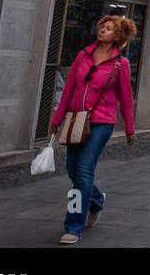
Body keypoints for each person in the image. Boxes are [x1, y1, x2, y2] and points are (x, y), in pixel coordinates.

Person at [49, 15, 137, 244]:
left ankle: (73, 227)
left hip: (101, 122)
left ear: (117, 36)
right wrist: (57, 119)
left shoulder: (121, 64)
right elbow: (69, 90)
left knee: (84, 171)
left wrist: (129, 127)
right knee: (72, 170)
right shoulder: (83, 56)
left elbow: (126, 99)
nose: (103, 31)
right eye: (102, 27)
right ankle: (96, 200)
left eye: (108, 29)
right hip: (76, 119)